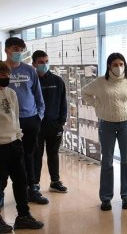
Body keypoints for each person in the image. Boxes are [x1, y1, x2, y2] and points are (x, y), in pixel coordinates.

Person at [82, 53, 127, 211]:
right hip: (106, 124)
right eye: (115, 64)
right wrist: (97, 105)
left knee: (126, 159)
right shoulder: (100, 82)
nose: (119, 67)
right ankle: (106, 198)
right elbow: (84, 92)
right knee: (107, 160)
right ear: (109, 66)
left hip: (126, 123)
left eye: (121, 64)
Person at [3, 37, 48, 205]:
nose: (18, 53)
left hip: (30, 120)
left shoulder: (30, 70)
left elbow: (38, 95)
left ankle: (32, 189)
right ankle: (2, 192)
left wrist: (39, 116)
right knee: (8, 158)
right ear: (6, 50)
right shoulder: (2, 69)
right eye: (15, 49)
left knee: (30, 156)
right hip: (8, 123)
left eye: (21, 50)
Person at [0, 61, 44, 232]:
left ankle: (23, 216)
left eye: (6, 75)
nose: (5, 78)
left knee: (20, 181)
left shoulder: (11, 93)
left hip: (14, 143)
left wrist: (18, 137)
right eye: (1, 75)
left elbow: (15, 117)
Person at [32, 50, 68, 193]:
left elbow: (63, 103)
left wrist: (62, 122)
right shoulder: (32, 81)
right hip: (36, 125)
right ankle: (34, 183)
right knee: (36, 155)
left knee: (53, 154)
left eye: (46, 61)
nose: (44, 64)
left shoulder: (57, 81)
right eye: (41, 62)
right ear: (34, 63)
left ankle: (55, 181)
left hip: (54, 125)